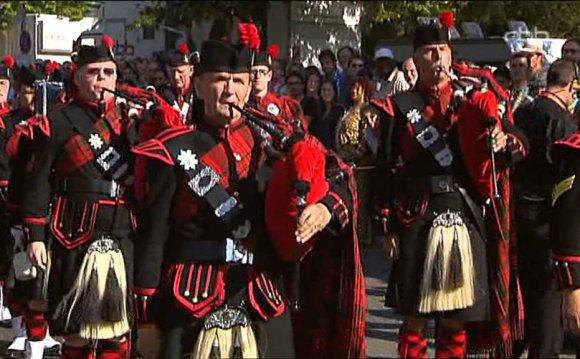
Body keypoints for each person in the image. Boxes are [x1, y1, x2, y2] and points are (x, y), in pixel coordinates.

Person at [370, 16, 528, 358]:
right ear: (415, 58)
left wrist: (503, 142)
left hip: (463, 209)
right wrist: (385, 227)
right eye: (429, 51)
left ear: (451, 53)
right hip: (416, 211)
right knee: (414, 315)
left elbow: (518, 139)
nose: (437, 58)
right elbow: (384, 168)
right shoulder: (398, 108)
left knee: (456, 318)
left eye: (442, 50)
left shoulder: (476, 96)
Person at [21, 35, 144, 358]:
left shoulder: (132, 124)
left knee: (116, 333)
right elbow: (38, 183)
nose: (101, 80)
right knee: (75, 331)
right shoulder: (58, 121)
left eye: (108, 72)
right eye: (93, 72)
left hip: (120, 231)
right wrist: (35, 235)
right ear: (76, 76)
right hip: (72, 230)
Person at [513, 59, 578, 358]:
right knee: (548, 303)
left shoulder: (523, 111)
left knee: (526, 293)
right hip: (552, 218)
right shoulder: (562, 122)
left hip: (519, 212)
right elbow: (567, 181)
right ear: (569, 85)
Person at [335, 78, 376, 246]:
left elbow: (367, 138)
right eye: (352, 88)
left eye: (357, 89)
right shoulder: (349, 110)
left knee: (361, 200)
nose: (354, 91)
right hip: (345, 161)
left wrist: (356, 157)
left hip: (360, 165)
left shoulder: (366, 111)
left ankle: (362, 236)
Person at [157, 43, 196, 126]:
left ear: (191, 70)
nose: (176, 77)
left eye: (180, 71)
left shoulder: (199, 94)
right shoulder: (163, 94)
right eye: (172, 72)